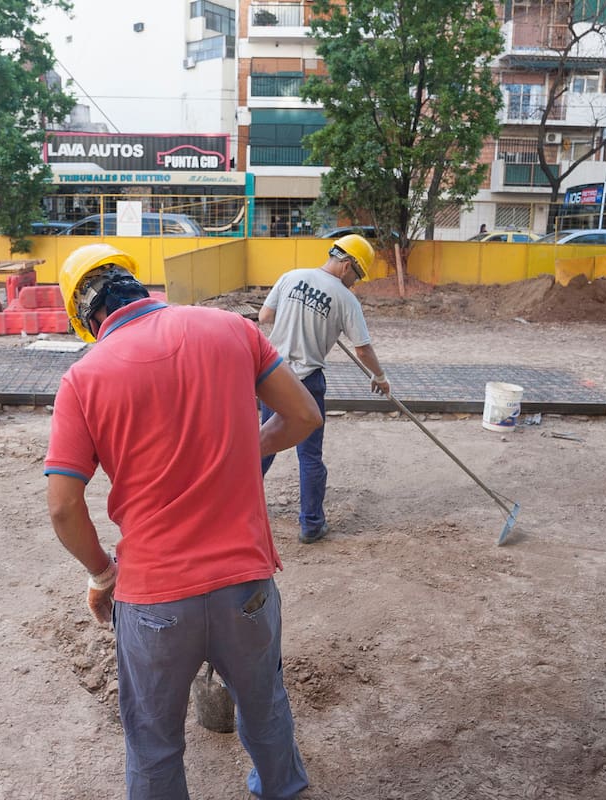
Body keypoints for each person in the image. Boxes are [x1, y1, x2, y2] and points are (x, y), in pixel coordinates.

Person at [44, 243, 321, 800]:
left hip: (153, 599)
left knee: (153, 741)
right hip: (244, 583)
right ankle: (282, 789)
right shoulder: (230, 329)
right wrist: (247, 450)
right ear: (136, 284)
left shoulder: (84, 377)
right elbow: (303, 416)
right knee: (265, 708)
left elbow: (62, 507)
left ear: (86, 317)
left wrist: (102, 576)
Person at [258, 233, 389, 543]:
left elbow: (265, 317)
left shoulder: (291, 276)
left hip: (273, 376)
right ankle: (312, 524)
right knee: (310, 456)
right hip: (306, 382)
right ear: (347, 265)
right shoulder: (345, 300)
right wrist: (380, 377)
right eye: (357, 275)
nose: (355, 282)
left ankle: (234, 506)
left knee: (263, 443)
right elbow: (363, 350)